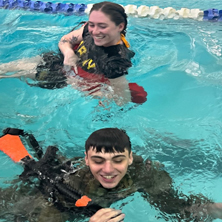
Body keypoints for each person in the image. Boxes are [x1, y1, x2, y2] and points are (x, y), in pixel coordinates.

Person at [0, 127, 222, 222]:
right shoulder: (67, 189)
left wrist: (213, 209)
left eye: (117, 160)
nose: (108, 170)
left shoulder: (144, 173)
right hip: (25, 204)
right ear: (86, 160)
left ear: (129, 157)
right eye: (98, 161)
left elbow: (177, 210)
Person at [0, 2, 147, 105]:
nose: (94, 31)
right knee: (4, 68)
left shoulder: (115, 62)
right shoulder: (88, 30)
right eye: (92, 24)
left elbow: (121, 99)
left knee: (12, 74)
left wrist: (84, 88)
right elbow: (65, 40)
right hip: (59, 61)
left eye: (102, 26)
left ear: (120, 27)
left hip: (65, 78)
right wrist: (69, 53)